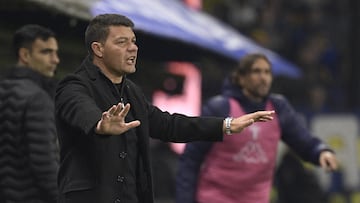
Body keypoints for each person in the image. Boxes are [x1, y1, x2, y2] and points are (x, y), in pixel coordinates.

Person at [54, 14, 275, 203]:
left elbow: (169, 125)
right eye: (122, 42)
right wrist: (100, 124)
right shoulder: (74, 85)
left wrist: (226, 124)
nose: (133, 47)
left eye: (133, 41)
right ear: (98, 49)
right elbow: (79, 108)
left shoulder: (132, 92)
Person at [176, 53, 338, 203]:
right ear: (241, 78)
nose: (263, 78)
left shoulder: (278, 108)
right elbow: (191, 159)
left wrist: (320, 151)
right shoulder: (220, 108)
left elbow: (302, 139)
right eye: (256, 72)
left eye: (267, 72)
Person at [0, 24, 60, 202]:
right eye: (46, 52)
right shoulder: (37, 99)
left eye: (56, 53)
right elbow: (44, 164)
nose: (55, 59)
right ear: (25, 55)